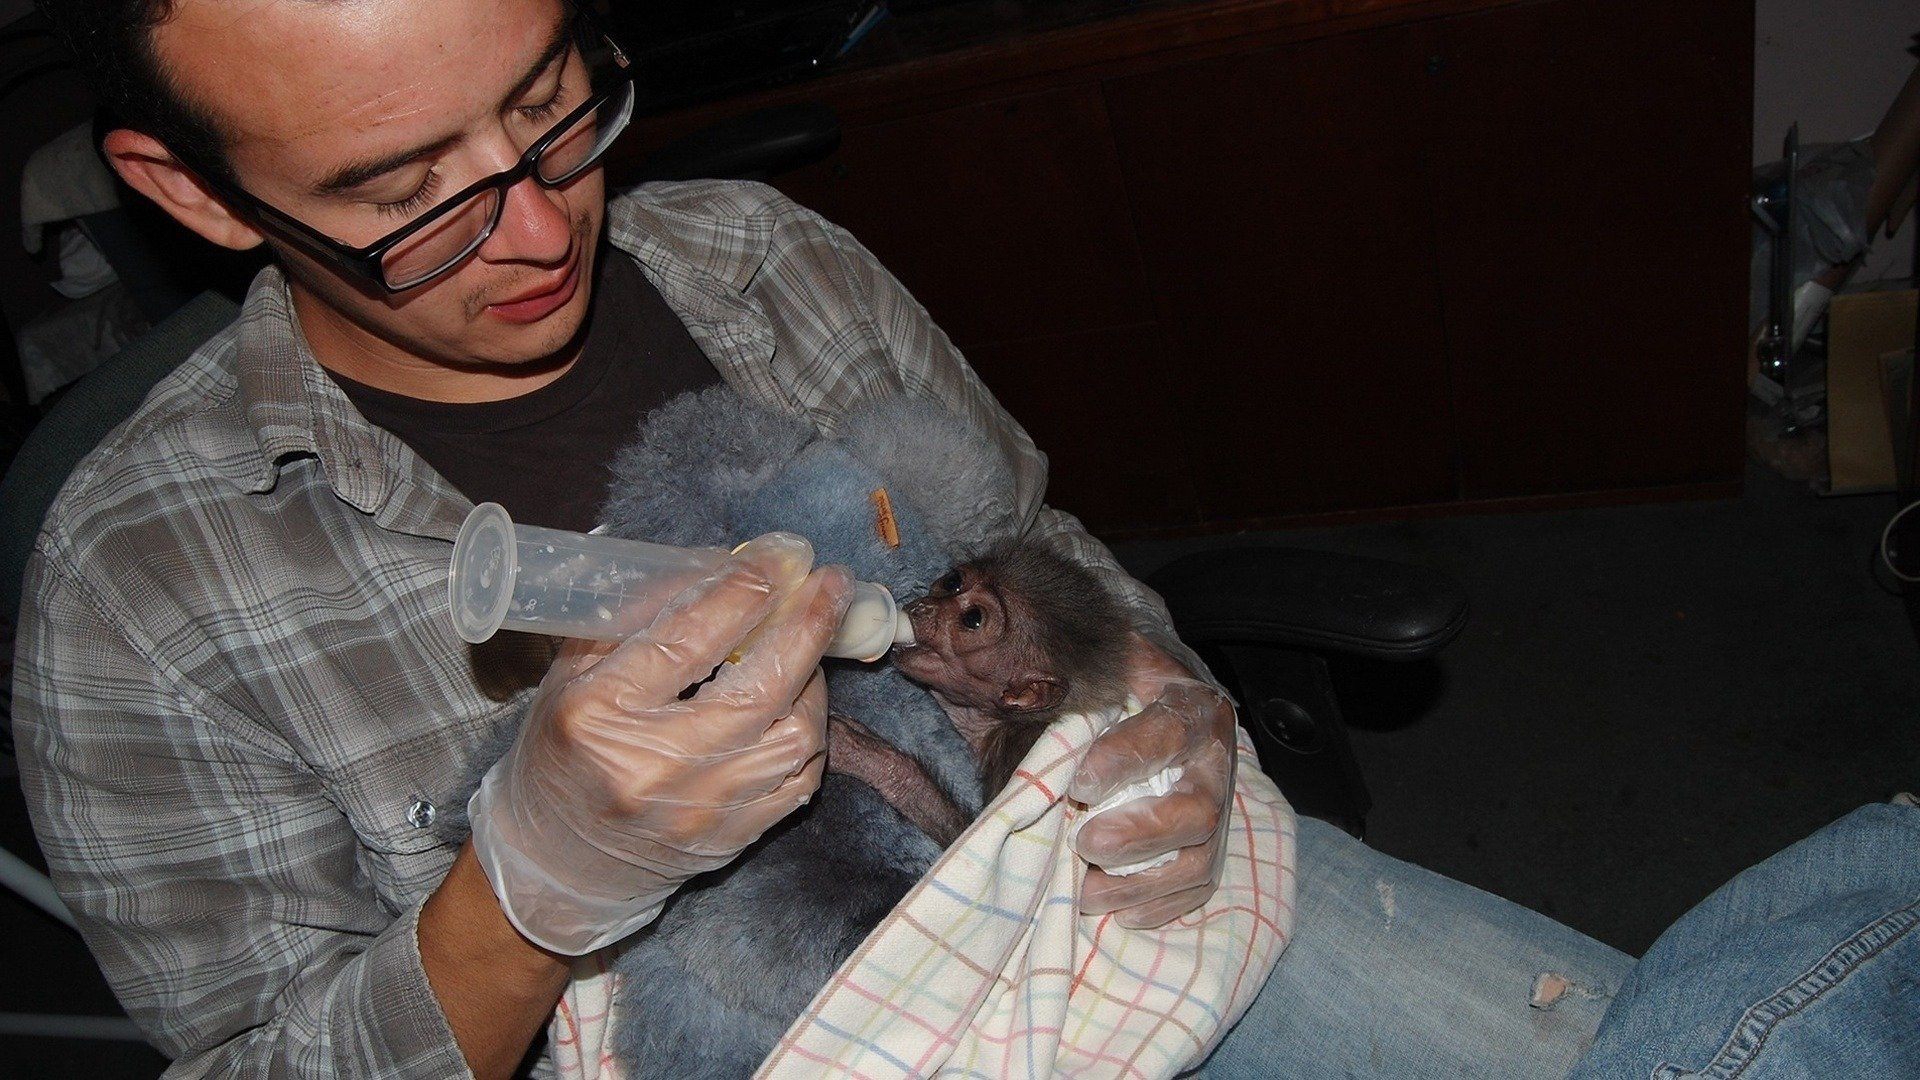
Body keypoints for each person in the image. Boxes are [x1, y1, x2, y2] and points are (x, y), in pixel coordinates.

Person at [15, 0, 1633, 1075]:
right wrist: (529, 889)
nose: (539, 220)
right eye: (405, 190)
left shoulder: (763, 261)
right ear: (200, 193)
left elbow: (1039, 535)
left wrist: (1158, 687)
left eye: (546, 104)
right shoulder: (139, 595)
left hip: (1082, 894)